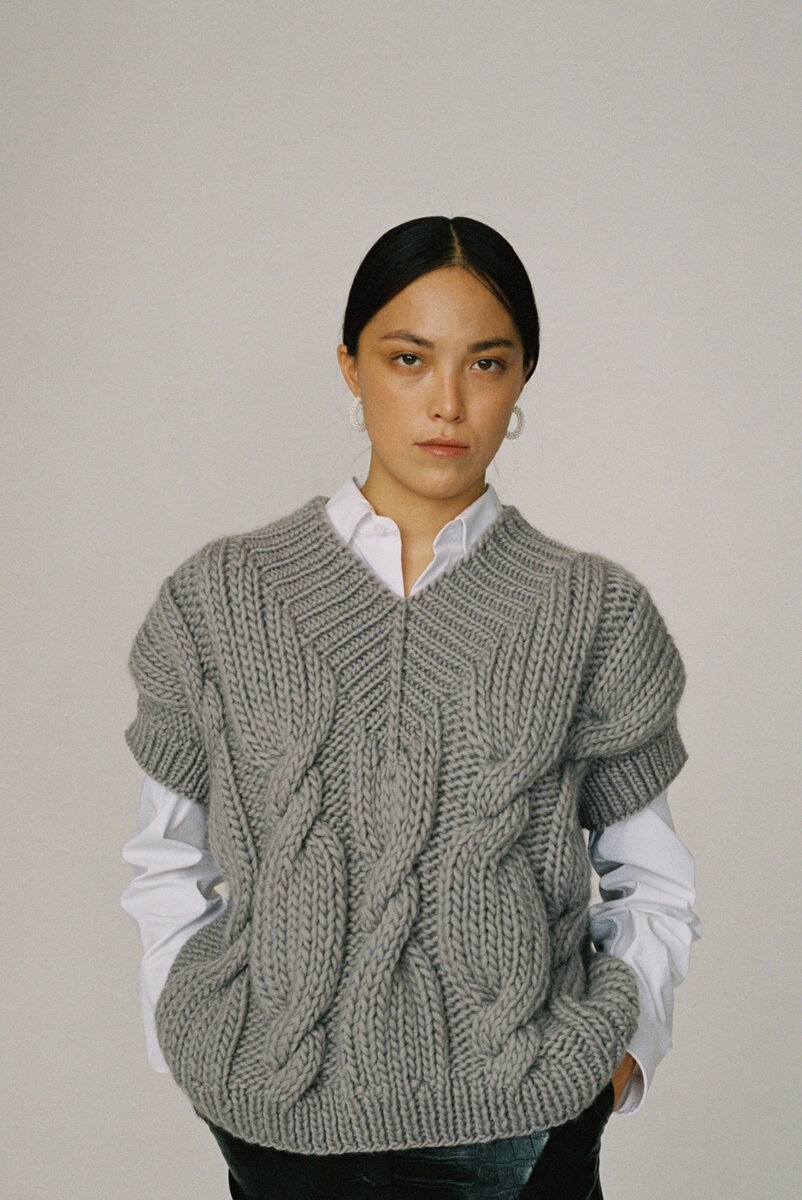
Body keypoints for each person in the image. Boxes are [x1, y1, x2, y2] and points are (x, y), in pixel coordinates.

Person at [122, 216, 699, 1200]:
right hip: (279, 1134)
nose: (446, 402)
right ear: (350, 368)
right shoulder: (219, 600)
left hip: (523, 1135)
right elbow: (168, 862)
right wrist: (197, 1054)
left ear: (523, 377)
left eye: (486, 363)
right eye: (407, 358)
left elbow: (652, 883)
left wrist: (614, 1069)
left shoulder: (594, 611)